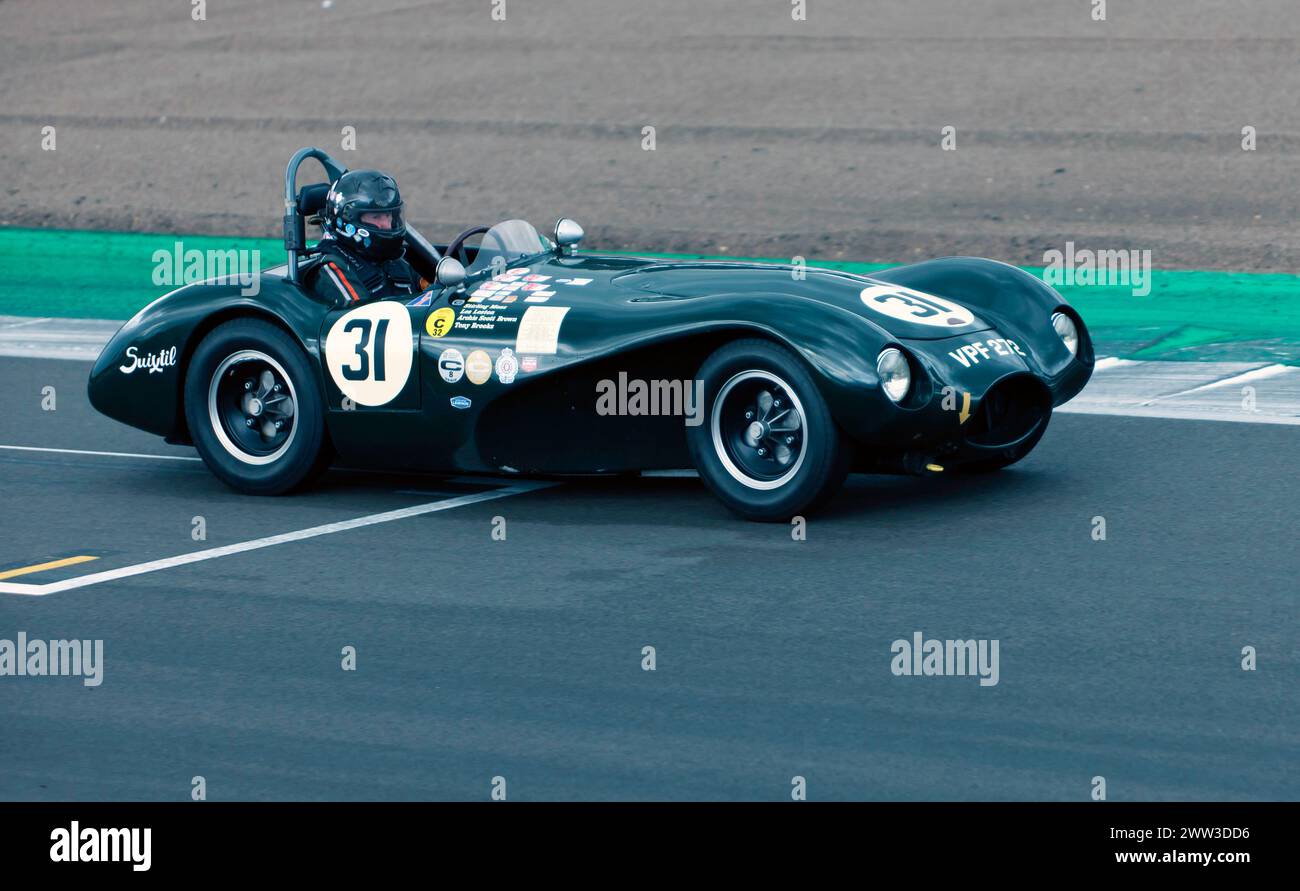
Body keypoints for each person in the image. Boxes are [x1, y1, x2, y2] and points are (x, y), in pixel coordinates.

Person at [308, 169, 426, 305]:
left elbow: (430, 293)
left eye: (388, 215)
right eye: (376, 217)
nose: (386, 225)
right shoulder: (332, 267)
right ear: (347, 221)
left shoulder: (393, 259)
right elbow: (359, 315)